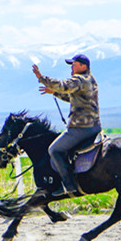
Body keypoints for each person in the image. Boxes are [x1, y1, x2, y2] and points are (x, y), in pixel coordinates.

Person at [32, 54, 101, 197]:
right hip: (94, 126)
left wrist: (41, 78)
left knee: (54, 149)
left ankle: (69, 185)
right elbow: (72, 97)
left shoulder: (79, 79)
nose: (72, 67)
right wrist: (55, 92)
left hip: (80, 128)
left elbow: (64, 86)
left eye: (74, 64)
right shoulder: (91, 79)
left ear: (83, 66)